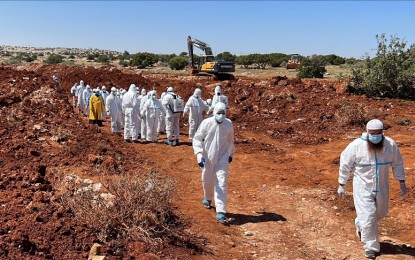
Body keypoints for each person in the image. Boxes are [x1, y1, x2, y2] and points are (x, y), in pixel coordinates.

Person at [337, 119, 407, 259]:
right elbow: (345, 163)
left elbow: (397, 162)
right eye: (372, 133)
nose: (375, 136)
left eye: (378, 133)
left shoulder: (390, 145)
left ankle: (360, 222)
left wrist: (402, 182)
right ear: (367, 132)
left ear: (382, 132)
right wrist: (342, 184)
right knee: (369, 216)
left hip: (382, 186)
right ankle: (370, 247)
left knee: (380, 213)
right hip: (362, 187)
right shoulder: (356, 145)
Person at [192, 102, 236, 224]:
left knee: (221, 181)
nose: (221, 115)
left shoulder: (228, 124)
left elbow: (230, 139)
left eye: (223, 113)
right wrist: (199, 155)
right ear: (214, 112)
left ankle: (221, 210)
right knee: (207, 179)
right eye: (218, 113)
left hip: (222, 157)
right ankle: (208, 197)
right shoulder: (206, 123)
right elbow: (197, 138)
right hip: (207, 156)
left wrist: (230, 153)